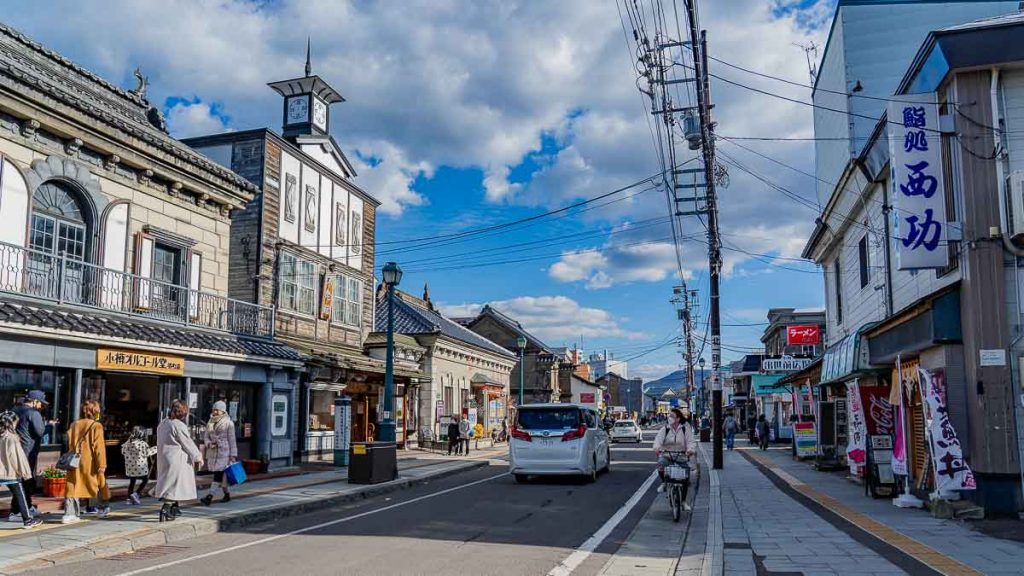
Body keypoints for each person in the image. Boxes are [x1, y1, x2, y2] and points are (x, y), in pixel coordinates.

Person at [154, 399, 203, 522]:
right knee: (175, 485)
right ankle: (166, 508)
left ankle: (175, 508)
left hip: (164, 457)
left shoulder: (163, 423)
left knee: (172, 483)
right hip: (177, 459)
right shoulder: (178, 425)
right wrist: (198, 456)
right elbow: (187, 443)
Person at [63, 400, 110, 524]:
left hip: (74, 460)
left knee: (72, 485)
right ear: (95, 411)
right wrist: (102, 464)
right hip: (90, 461)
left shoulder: (74, 424)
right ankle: (101, 508)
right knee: (97, 484)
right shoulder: (96, 426)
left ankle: (69, 514)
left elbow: (69, 441)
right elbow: (99, 447)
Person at [9, 390, 49, 522]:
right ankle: (16, 511)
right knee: (25, 482)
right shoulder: (33, 413)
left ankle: (27, 506)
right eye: (41, 403)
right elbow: (40, 432)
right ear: (35, 401)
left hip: (14, 450)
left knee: (19, 480)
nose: (41, 406)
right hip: (28, 451)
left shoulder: (14, 410)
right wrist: (48, 425)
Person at [0, 411, 42, 528]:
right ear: (12, 423)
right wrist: (25, 473)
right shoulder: (12, 438)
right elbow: (18, 457)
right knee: (20, 494)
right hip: (10, 472)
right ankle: (27, 520)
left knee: (19, 494)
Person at [653, 408, 695, 507]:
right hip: (667, 455)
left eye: (672, 416)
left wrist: (690, 450)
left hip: (681, 456)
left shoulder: (685, 429)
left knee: (685, 477)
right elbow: (658, 440)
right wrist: (657, 448)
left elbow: (691, 442)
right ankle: (664, 483)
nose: (670, 418)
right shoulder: (665, 429)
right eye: (669, 416)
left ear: (678, 419)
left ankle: (684, 501)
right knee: (661, 464)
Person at [200, 400, 237, 506]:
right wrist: (208, 444)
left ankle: (209, 497)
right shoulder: (210, 421)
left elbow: (232, 439)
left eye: (217, 410)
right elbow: (206, 436)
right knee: (221, 477)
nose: (215, 412)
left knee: (218, 474)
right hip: (213, 451)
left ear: (223, 411)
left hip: (224, 452)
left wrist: (233, 455)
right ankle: (227, 494)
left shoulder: (228, 423)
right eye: (214, 409)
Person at [121, 426, 156, 505]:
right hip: (141, 467)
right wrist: (157, 448)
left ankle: (129, 498)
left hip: (130, 467)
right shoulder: (143, 444)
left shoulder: (127, 443)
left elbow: (123, 452)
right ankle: (136, 493)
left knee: (132, 482)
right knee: (145, 480)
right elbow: (148, 453)